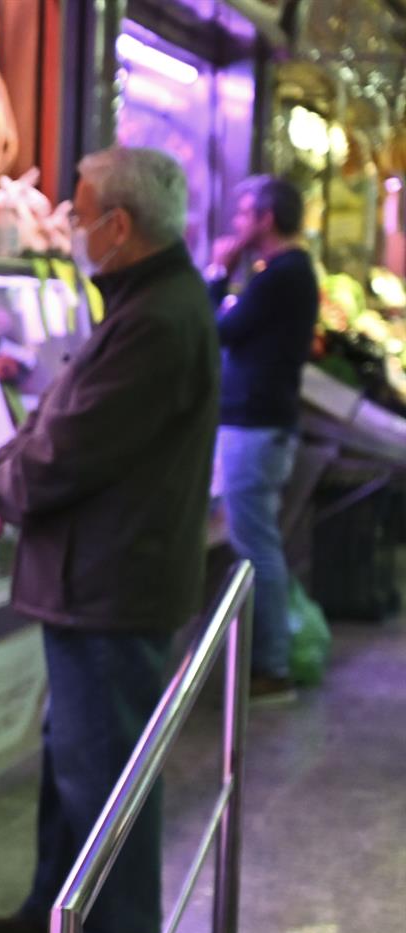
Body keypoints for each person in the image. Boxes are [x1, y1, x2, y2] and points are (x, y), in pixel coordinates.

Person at [0, 146, 220, 933]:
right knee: (75, 754)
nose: (70, 229)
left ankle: (113, 932)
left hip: (113, 580)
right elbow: (64, 422)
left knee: (104, 761)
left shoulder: (157, 318)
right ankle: (57, 908)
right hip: (94, 575)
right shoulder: (145, 303)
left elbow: (70, 448)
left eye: (78, 214)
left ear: (119, 224)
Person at [208, 176, 319, 701]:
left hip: (256, 427)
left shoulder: (282, 274)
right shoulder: (284, 273)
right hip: (260, 425)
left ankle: (271, 667)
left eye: (243, 212)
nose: (235, 223)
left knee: (256, 549)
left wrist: (216, 272)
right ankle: (267, 660)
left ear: (266, 218)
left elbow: (218, 331)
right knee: (258, 543)